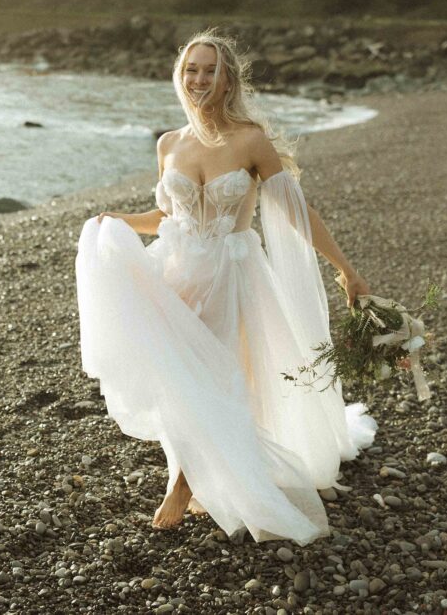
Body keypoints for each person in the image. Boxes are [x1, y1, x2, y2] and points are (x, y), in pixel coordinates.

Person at [75, 30, 377, 543]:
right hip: (175, 271)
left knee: (219, 377)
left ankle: (182, 484)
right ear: (180, 75)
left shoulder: (250, 140)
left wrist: (347, 269)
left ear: (226, 78)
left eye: (208, 70)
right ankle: (190, 470)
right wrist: (116, 220)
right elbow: (165, 216)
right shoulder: (169, 143)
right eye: (190, 69)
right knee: (180, 376)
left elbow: (296, 212)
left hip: (232, 273)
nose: (197, 79)